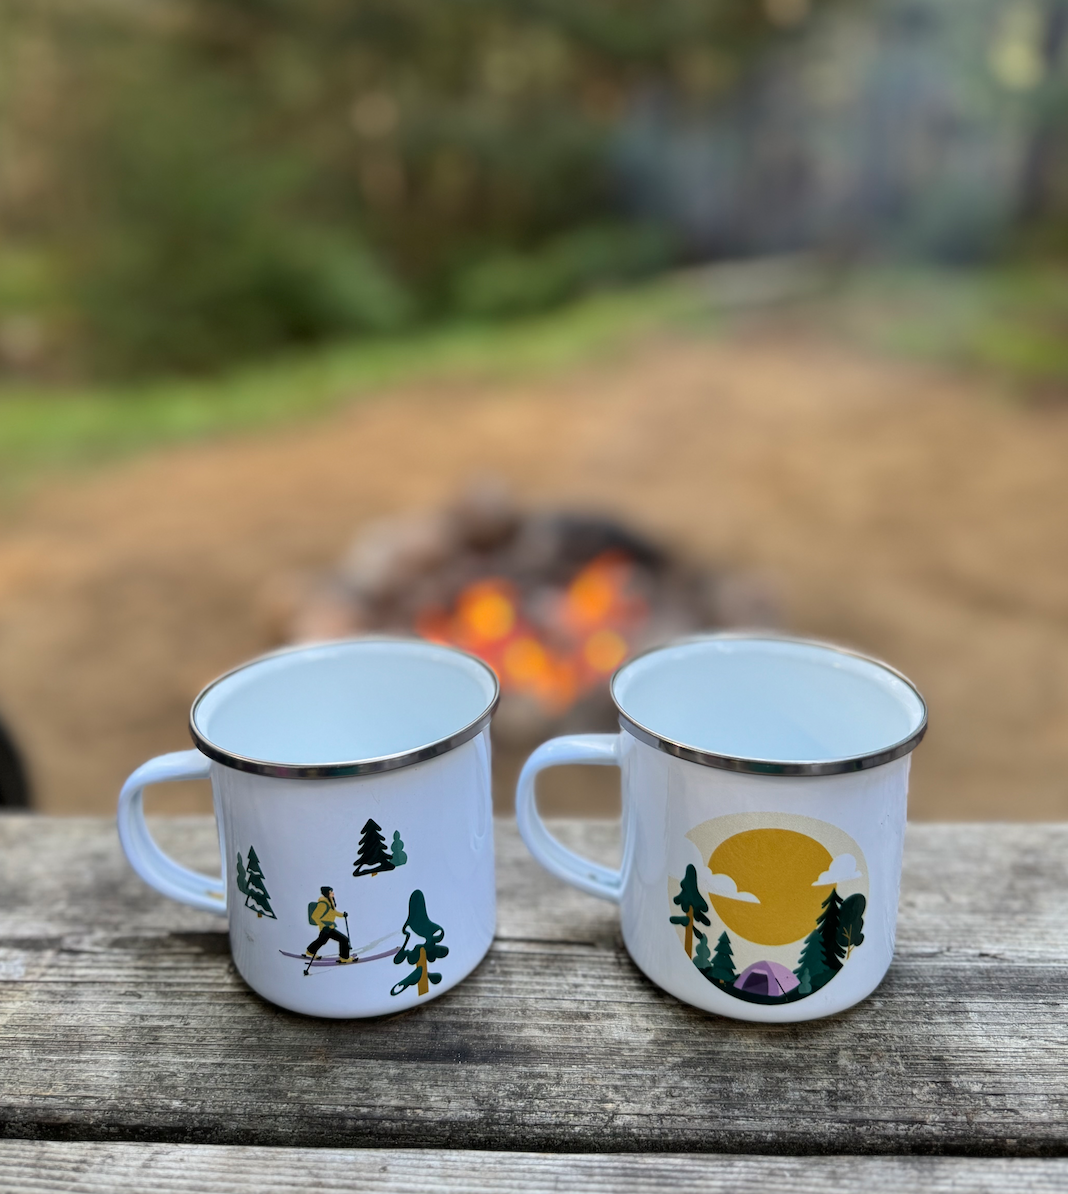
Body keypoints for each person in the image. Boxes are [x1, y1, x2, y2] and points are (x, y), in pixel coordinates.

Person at [305, 886, 356, 964]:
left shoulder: (329, 902)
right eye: (330, 892)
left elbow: (333, 912)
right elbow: (315, 916)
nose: (332, 893)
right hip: (326, 928)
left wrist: (342, 915)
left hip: (329, 927)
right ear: (327, 893)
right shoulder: (323, 904)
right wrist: (322, 925)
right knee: (344, 939)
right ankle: (344, 958)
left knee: (322, 941)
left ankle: (310, 951)